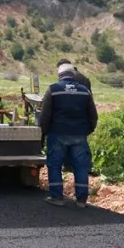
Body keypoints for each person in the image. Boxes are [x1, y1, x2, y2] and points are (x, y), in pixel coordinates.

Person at [39, 62, 99, 208]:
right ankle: (81, 200)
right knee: (80, 167)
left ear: (60, 75)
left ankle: (57, 197)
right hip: (79, 134)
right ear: (73, 75)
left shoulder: (53, 90)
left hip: (57, 134)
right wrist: (87, 131)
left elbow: (45, 116)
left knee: (55, 165)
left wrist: (44, 133)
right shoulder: (85, 91)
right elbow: (93, 116)